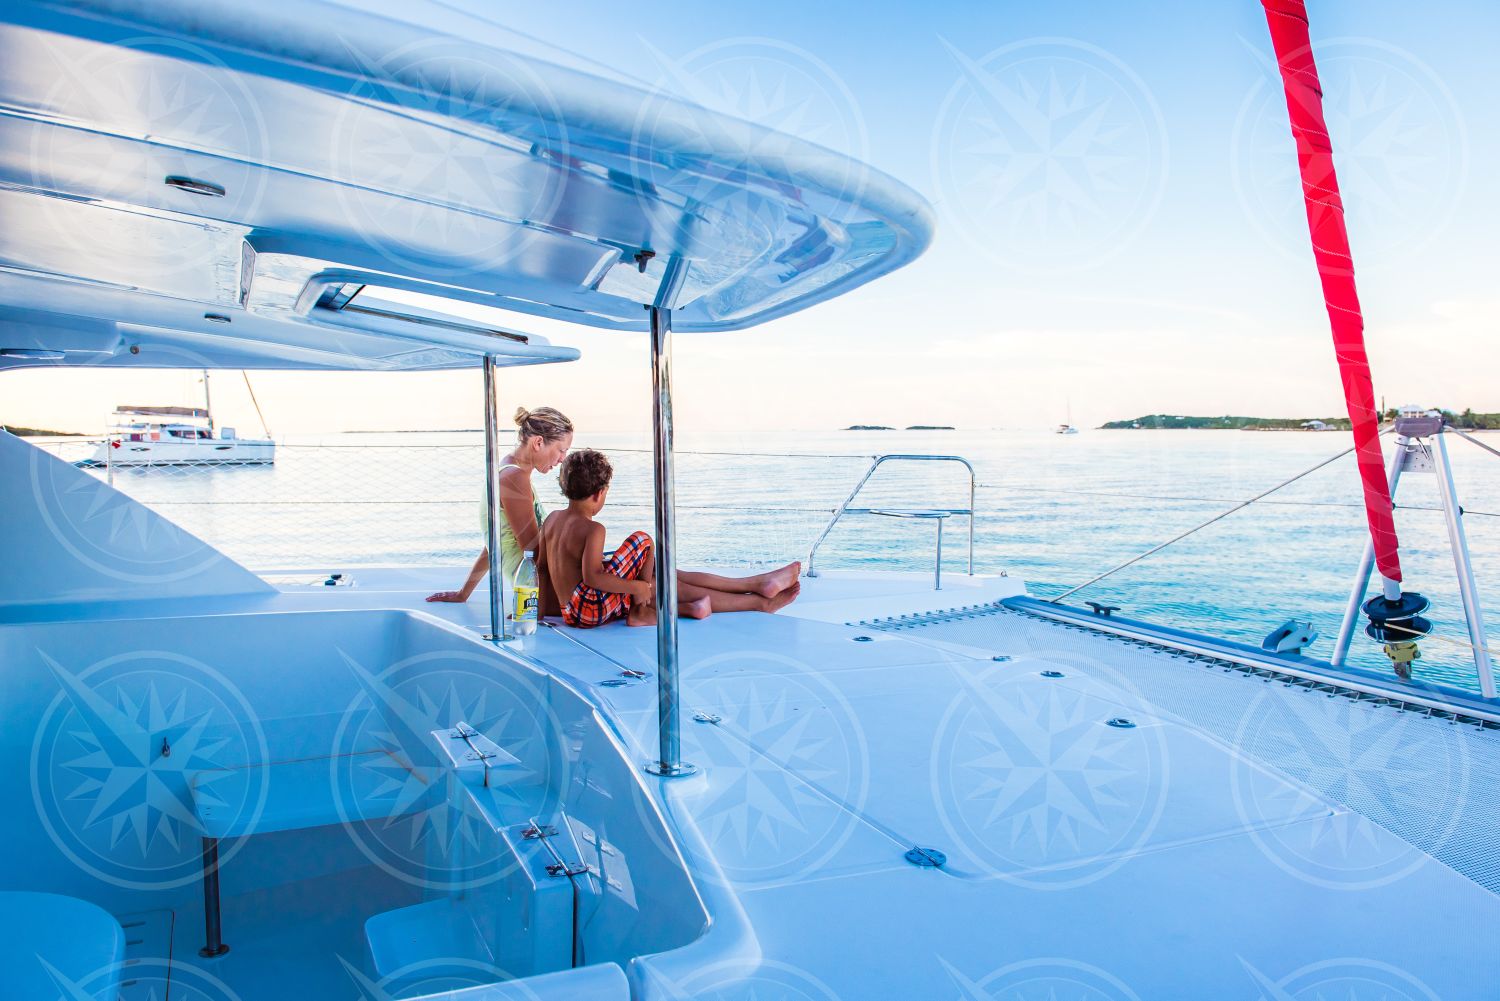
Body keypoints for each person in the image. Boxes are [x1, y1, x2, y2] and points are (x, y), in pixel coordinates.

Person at [537, 448, 801, 628]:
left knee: (657, 572)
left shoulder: (551, 520)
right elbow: (593, 577)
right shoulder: (593, 529)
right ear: (599, 493)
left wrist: (535, 615)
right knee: (644, 541)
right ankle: (643, 609)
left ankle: (755, 588)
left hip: (570, 612)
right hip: (589, 610)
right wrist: (637, 588)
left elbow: (540, 569)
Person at [426, 406, 573, 606]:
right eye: (561, 450)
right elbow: (534, 553)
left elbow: (494, 543)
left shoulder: (510, 471)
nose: (563, 459)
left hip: (542, 584)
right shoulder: (514, 478)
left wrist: (464, 593)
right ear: (538, 442)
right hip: (542, 592)